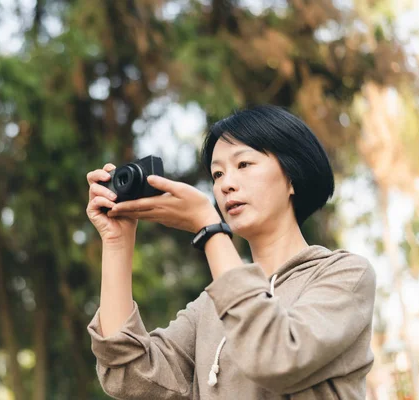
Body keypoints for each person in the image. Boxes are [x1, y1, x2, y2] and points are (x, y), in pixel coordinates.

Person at [85, 105, 376, 399]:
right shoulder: (210, 307)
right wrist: (117, 243)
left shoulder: (345, 275)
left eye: (244, 165)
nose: (226, 184)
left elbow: (276, 357)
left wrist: (209, 227)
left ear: (291, 176)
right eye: (217, 174)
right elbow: (130, 376)